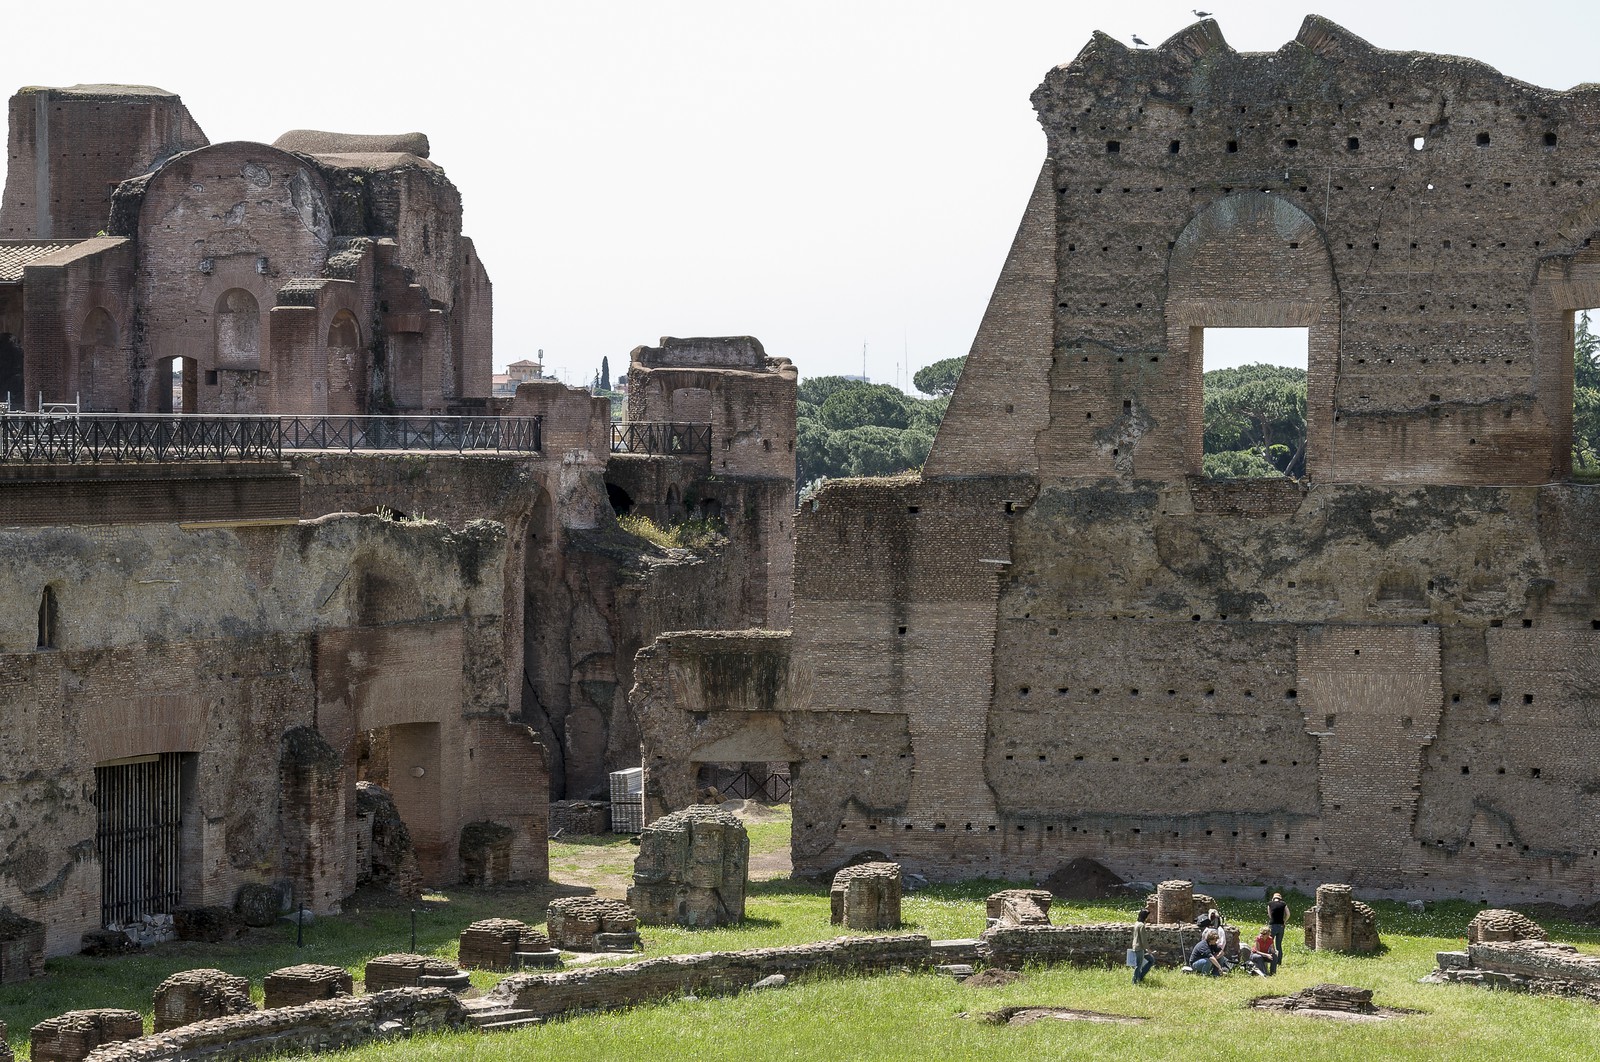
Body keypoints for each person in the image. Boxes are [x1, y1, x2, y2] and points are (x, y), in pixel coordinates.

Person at [1130, 909, 1156, 984]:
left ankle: (1140, 976)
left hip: (1137, 946)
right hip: (1139, 948)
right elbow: (1143, 939)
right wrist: (1148, 949)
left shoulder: (1136, 923)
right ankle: (1134, 981)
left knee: (1151, 960)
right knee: (1139, 965)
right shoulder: (1141, 925)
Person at [1267, 892, 1290, 965]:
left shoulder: (1270, 904)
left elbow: (1270, 915)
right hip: (1281, 926)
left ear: (1273, 898)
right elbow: (1288, 914)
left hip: (1272, 925)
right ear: (1280, 899)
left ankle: (1270, 959)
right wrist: (1284, 921)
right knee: (1278, 945)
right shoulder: (1283, 904)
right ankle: (1279, 962)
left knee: (1269, 943)